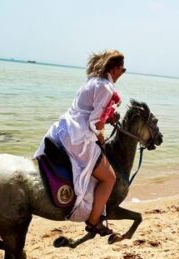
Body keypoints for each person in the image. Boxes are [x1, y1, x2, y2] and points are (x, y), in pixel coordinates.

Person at [34, 50, 126, 234]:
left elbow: (88, 112)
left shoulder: (91, 80)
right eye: (123, 70)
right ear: (115, 69)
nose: (122, 74)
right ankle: (94, 222)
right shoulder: (106, 87)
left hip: (63, 128)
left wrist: (107, 114)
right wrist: (101, 138)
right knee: (109, 178)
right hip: (79, 137)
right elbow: (95, 123)